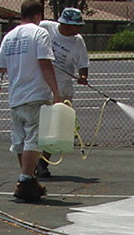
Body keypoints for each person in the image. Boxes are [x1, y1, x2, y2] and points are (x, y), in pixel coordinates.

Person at [0, 0, 61, 202]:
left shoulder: (9, 36)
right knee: (34, 138)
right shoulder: (40, 33)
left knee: (21, 139)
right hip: (35, 94)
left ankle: (29, 180)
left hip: (16, 96)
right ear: (38, 15)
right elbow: (44, 62)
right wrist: (56, 92)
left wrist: (18, 63)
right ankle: (24, 180)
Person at [36, 7, 90, 178]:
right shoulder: (45, 27)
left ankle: (43, 163)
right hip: (42, 83)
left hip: (62, 86)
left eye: (79, 26)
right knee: (37, 124)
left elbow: (83, 63)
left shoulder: (78, 41)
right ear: (64, 24)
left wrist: (83, 76)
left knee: (55, 127)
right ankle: (32, 161)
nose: (78, 29)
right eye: (75, 26)